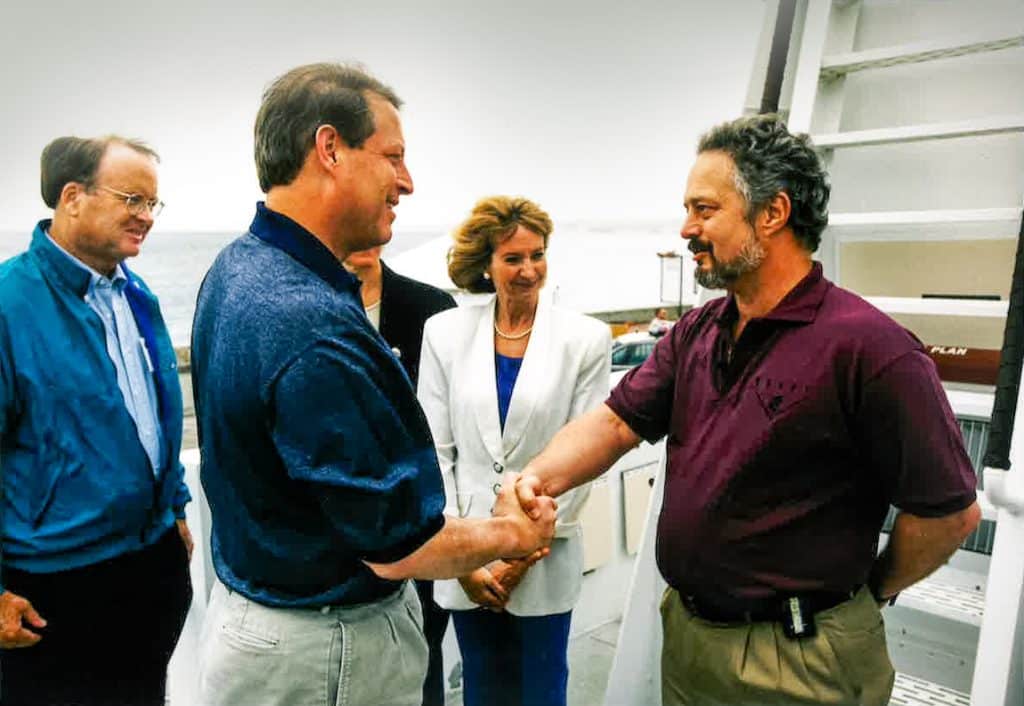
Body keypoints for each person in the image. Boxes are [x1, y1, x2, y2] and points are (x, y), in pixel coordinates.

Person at [514, 115, 981, 706]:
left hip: (802, 662)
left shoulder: (872, 349)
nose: (686, 228)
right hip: (689, 638)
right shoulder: (699, 329)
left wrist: (870, 595)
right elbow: (614, 423)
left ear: (772, 213)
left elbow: (949, 515)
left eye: (704, 209)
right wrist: (533, 481)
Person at [192, 63, 556, 706]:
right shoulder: (312, 324)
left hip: (254, 626)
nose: (407, 182)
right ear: (329, 149)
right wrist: (515, 533)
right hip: (325, 658)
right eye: (393, 157)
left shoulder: (236, 268)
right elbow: (398, 546)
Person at [0, 136, 193, 705]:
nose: (146, 218)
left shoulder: (136, 295)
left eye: (154, 204)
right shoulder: (9, 305)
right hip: (54, 590)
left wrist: (174, 506)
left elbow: (154, 416)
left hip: (147, 568)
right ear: (72, 197)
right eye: (133, 198)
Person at [417, 195, 611, 706]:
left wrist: (517, 558)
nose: (529, 270)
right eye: (513, 258)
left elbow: (586, 456)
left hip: (545, 561)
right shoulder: (442, 334)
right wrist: (464, 561)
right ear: (486, 264)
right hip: (466, 560)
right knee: (482, 689)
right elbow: (434, 452)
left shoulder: (585, 339)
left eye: (538, 255)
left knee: (543, 691)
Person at [344, 245, 457, 706]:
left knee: (423, 662)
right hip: (342, 536)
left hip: (421, 521)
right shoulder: (308, 309)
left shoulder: (432, 310)